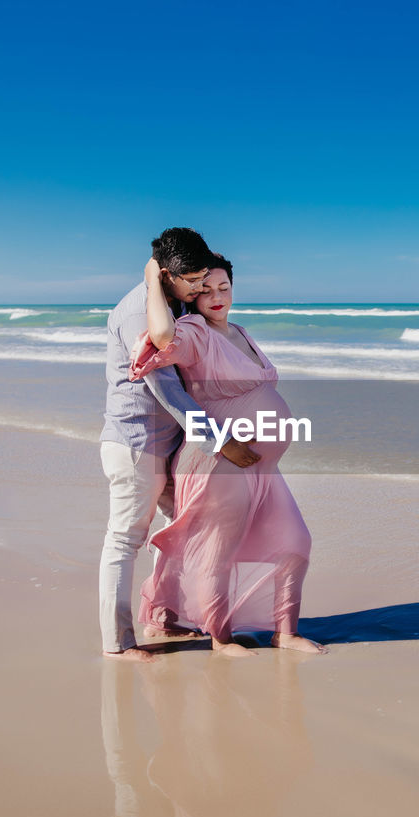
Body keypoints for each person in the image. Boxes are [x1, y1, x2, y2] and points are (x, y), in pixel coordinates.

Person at [131, 254, 325, 656]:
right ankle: (220, 638)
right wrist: (153, 277)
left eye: (224, 287)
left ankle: (284, 632)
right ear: (192, 296)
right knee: (217, 550)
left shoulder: (239, 330)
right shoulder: (195, 331)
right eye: (205, 290)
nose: (216, 297)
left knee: (294, 541)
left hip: (262, 466)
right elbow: (162, 339)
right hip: (220, 461)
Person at [99, 228, 261, 661]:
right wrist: (222, 442)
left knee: (179, 531)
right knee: (125, 539)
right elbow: (167, 389)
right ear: (168, 275)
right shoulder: (142, 314)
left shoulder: (171, 301)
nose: (198, 290)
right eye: (192, 281)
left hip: (170, 444)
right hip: (137, 442)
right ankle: (117, 643)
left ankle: (165, 616)